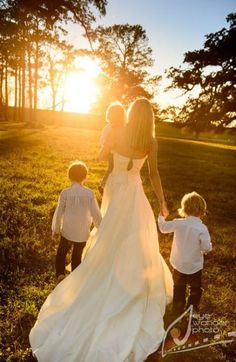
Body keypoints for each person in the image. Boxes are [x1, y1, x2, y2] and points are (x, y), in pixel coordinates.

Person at [29, 98, 173, 362]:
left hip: (116, 192)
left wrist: (108, 171)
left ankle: (109, 271)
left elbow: (106, 161)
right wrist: (162, 202)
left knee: (110, 236)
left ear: (131, 114)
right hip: (133, 193)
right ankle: (130, 280)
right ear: (150, 119)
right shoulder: (150, 142)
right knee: (135, 239)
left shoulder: (118, 132)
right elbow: (153, 174)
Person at [158, 191, 212, 319]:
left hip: (179, 264)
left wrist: (160, 217)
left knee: (178, 287)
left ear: (184, 209)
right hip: (194, 266)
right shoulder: (202, 228)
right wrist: (207, 248)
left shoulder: (178, 223)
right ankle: (192, 308)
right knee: (195, 288)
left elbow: (163, 228)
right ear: (202, 210)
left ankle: (177, 306)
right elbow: (205, 247)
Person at [52, 161, 102, 282]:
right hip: (82, 233)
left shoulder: (65, 193)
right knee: (77, 256)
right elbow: (96, 213)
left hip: (67, 232)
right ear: (85, 177)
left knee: (61, 253)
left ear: (69, 177)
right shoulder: (90, 193)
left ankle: (60, 274)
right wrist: (99, 226)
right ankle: (75, 278)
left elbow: (58, 213)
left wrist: (56, 229)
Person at [99, 102, 126, 194]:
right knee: (111, 168)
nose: (116, 118)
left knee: (117, 170)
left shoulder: (124, 127)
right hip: (112, 152)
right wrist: (108, 146)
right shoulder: (108, 127)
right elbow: (102, 139)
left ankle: (112, 186)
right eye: (113, 115)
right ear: (109, 115)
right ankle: (103, 185)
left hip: (122, 153)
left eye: (118, 115)